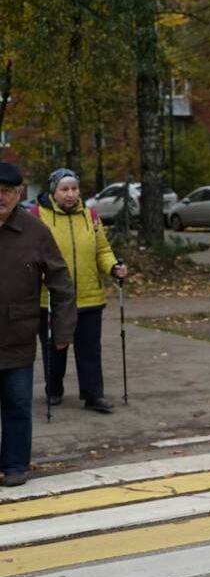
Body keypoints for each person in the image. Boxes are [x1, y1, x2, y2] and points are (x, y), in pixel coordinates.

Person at [0, 161, 77, 487]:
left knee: (17, 403)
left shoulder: (36, 232)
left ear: (19, 193)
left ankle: (16, 464)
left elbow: (61, 283)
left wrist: (62, 330)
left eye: (6, 192)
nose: (0, 197)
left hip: (17, 337)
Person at [32, 169, 127, 414]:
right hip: (52, 297)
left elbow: (102, 251)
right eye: (64, 189)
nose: (70, 194)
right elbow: (29, 253)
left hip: (89, 296)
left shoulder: (91, 215)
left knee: (89, 350)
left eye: (74, 188)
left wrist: (113, 267)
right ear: (54, 191)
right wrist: (36, 272)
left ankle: (93, 395)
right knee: (55, 347)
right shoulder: (37, 216)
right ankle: (53, 390)